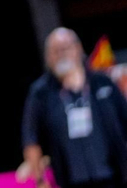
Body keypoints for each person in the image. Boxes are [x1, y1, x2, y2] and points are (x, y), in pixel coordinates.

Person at [20, 28, 127, 188]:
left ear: (78, 48)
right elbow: (31, 138)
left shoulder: (102, 82)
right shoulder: (41, 93)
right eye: (56, 51)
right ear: (47, 56)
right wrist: (40, 180)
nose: (62, 54)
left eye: (66, 48)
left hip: (114, 176)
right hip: (70, 180)